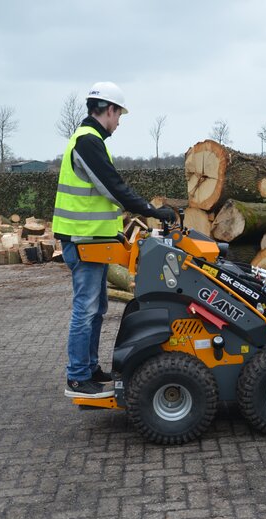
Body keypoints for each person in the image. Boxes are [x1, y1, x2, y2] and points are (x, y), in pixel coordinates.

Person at [52, 81, 177, 398]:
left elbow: (100, 197)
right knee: (86, 309)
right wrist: (151, 211)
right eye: (118, 114)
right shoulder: (88, 142)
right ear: (108, 110)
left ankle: (90, 369)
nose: (119, 121)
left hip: (93, 240)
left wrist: (117, 232)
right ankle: (78, 377)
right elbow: (113, 187)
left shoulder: (91, 141)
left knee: (96, 309)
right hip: (82, 242)